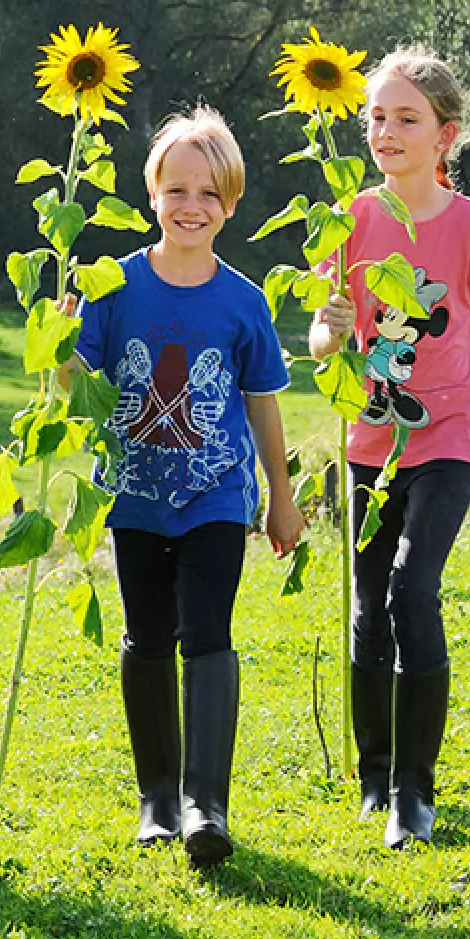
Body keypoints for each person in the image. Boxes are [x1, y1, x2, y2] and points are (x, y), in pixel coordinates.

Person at [312, 48, 470, 848]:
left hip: (450, 440)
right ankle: (375, 779)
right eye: (376, 117)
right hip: (370, 439)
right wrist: (329, 331)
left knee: (412, 589)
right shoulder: (349, 220)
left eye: (406, 118)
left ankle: (415, 792)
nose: (386, 132)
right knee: (369, 608)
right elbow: (324, 336)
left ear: (445, 135)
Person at [72, 109, 302, 868]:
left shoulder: (243, 302)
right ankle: (158, 803)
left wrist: (281, 495)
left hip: (216, 496)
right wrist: (59, 337)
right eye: (176, 190)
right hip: (134, 497)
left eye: (208, 193)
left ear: (229, 203)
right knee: (147, 636)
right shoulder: (115, 287)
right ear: (152, 196)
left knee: (207, 633)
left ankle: (207, 806)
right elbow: (79, 384)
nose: (191, 206)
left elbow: (262, 403)